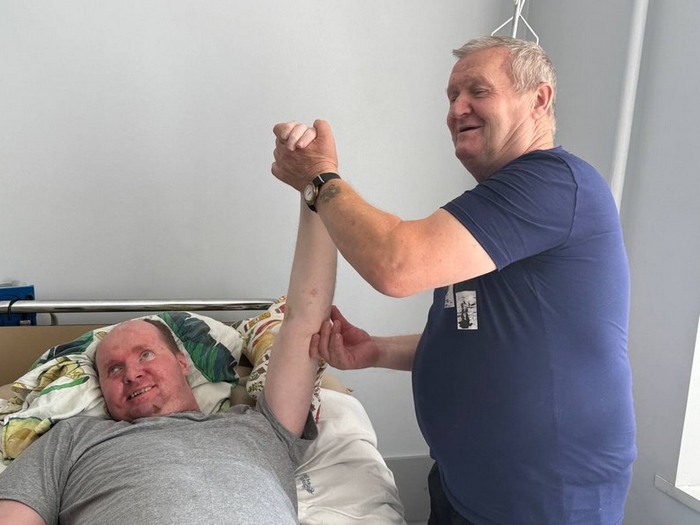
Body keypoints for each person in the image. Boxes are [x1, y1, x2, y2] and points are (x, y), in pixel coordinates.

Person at [271, 36, 636, 524]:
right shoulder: (492, 210)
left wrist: (319, 178)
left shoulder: (554, 183)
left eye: (478, 91)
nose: (457, 109)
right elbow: (476, 337)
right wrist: (376, 350)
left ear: (539, 99)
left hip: (544, 501)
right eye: (451, 96)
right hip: (465, 486)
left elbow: (396, 264)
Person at [0, 195, 337, 524]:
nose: (132, 374)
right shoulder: (70, 441)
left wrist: (316, 186)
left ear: (182, 362)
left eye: (145, 354)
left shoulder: (260, 426)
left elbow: (304, 318)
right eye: (113, 369)